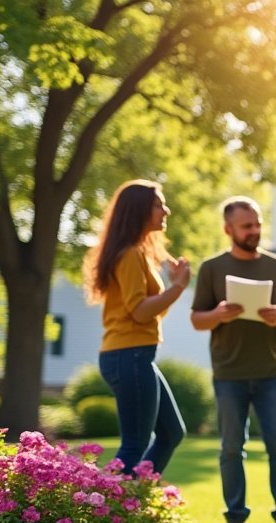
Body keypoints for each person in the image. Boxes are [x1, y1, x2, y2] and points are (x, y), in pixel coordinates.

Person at [191, 196, 276, 523]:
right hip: (228, 375)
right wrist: (218, 313)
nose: (254, 230)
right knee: (232, 448)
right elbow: (197, 320)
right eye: (247, 226)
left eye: (257, 223)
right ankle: (235, 522)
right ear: (228, 229)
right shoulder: (212, 268)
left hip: (269, 374)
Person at [82, 179, 191, 477]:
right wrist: (178, 288)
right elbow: (141, 313)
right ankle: (106, 510)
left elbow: (150, 311)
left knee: (171, 433)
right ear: (140, 210)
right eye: (158, 205)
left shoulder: (138, 254)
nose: (165, 210)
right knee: (133, 445)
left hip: (136, 355)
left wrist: (171, 288)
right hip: (128, 356)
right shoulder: (129, 255)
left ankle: (134, 498)